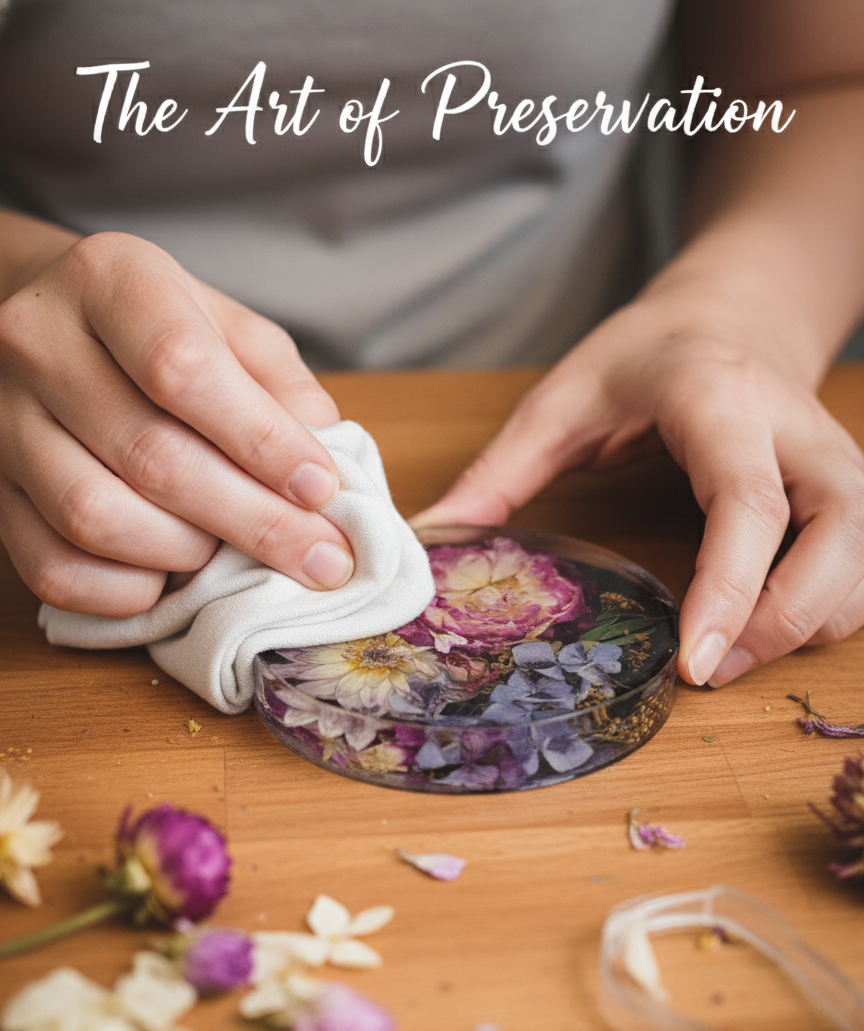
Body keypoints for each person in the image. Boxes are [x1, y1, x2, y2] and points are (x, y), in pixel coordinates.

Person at [0, 0, 862, 691]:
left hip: (584, 449)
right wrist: (21, 286)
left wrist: (736, 316)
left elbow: (826, 81)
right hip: (65, 453)